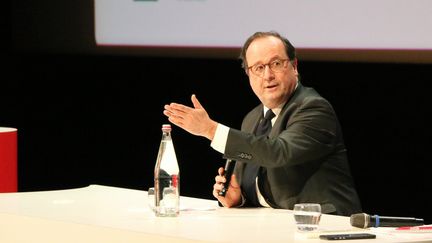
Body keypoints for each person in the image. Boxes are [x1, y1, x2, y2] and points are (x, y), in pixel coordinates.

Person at [163, 31, 361, 216]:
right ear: (249, 76)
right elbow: (260, 180)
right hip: (274, 225)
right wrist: (238, 198)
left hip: (325, 225)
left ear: (294, 66)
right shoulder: (252, 118)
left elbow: (278, 152)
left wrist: (210, 129)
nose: (268, 76)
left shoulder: (313, 108)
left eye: (275, 64)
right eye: (258, 68)